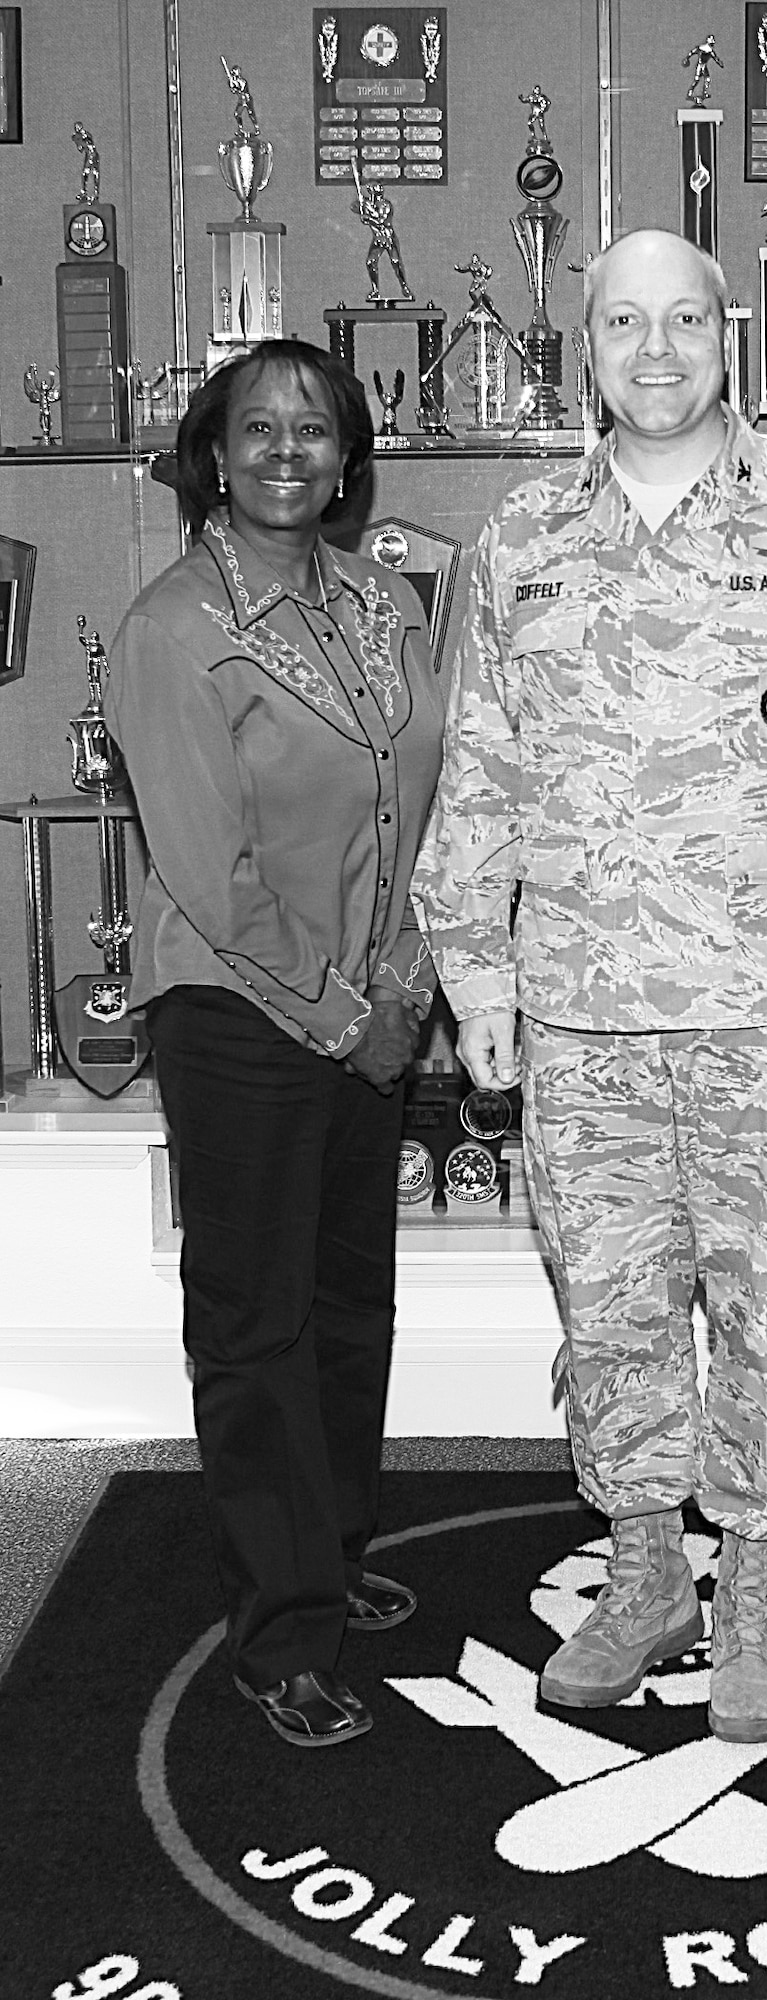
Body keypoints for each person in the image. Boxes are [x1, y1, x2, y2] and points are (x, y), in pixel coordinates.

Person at [416, 228, 767, 1745]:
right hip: (584, 1018)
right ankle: (649, 1572)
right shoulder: (524, 534)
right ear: (580, 347)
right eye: (620, 323)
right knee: (611, 1316)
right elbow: (483, 769)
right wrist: (476, 968)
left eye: (682, 320)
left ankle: (762, 1591)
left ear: (730, 334)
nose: (653, 349)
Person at [106, 338, 445, 1747]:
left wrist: (407, 977)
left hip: (374, 1004)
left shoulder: (381, 600)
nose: (288, 450)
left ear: (351, 452)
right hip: (246, 1016)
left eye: (316, 426)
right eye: (260, 428)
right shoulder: (174, 625)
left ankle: (335, 1553)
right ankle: (280, 1632)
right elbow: (208, 868)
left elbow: (431, 795)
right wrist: (343, 1016)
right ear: (214, 449)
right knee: (256, 1329)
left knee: (349, 1304)